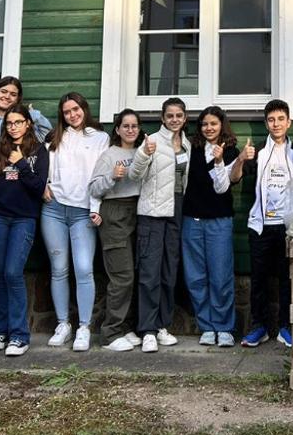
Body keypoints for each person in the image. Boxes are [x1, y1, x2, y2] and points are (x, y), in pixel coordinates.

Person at [42, 92, 107, 352]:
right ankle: (63, 324)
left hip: (83, 212)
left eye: (76, 109)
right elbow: (44, 169)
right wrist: (42, 185)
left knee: (83, 268)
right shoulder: (54, 139)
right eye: (67, 111)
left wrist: (97, 207)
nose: (72, 115)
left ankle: (83, 326)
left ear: (84, 109)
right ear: (62, 115)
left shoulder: (99, 137)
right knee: (58, 268)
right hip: (54, 210)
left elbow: (101, 174)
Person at [129, 97, 189, 353]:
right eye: (170, 116)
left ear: (184, 118)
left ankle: (162, 325)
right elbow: (134, 174)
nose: (174, 119)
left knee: (168, 271)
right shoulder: (151, 141)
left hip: (176, 211)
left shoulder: (186, 143)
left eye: (179, 115)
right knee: (149, 273)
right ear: (163, 118)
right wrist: (143, 154)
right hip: (152, 214)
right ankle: (147, 329)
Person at [0, 108, 49, 356]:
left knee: (13, 272)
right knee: (0, 274)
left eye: (18, 122)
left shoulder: (38, 151)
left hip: (24, 219)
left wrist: (21, 163)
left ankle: (19, 335)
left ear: (28, 124)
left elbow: (38, 187)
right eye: (9, 123)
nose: (13, 127)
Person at [241, 99, 293, 349]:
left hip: (287, 226)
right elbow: (236, 178)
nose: (276, 124)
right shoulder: (258, 152)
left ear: (288, 122)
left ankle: (286, 327)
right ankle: (259, 327)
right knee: (259, 279)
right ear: (267, 123)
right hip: (261, 226)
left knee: (288, 278)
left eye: (280, 119)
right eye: (271, 120)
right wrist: (243, 160)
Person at [181, 105, 242, 347]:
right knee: (196, 276)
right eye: (205, 124)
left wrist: (218, 160)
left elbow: (223, 186)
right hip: (192, 220)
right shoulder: (192, 148)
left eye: (213, 124)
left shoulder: (230, 151)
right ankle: (206, 325)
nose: (209, 128)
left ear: (221, 126)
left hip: (219, 220)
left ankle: (224, 326)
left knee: (220, 276)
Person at [88, 110, 144, 352]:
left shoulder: (142, 153)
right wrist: (111, 177)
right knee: (121, 276)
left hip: (138, 211)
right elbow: (93, 189)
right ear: (118, 129)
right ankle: (110, 332)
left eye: (134, 126)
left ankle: (126, 327)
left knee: (134, 272)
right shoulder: (109, 155)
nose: (130, 130)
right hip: (115, 213)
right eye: (125, 126)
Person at [0, 76, 53, 150]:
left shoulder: (24, 122)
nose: (7, 96)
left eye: (13, 94)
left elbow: (47, 135)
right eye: (3, 91)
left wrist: (32, 115)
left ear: (18, 98)